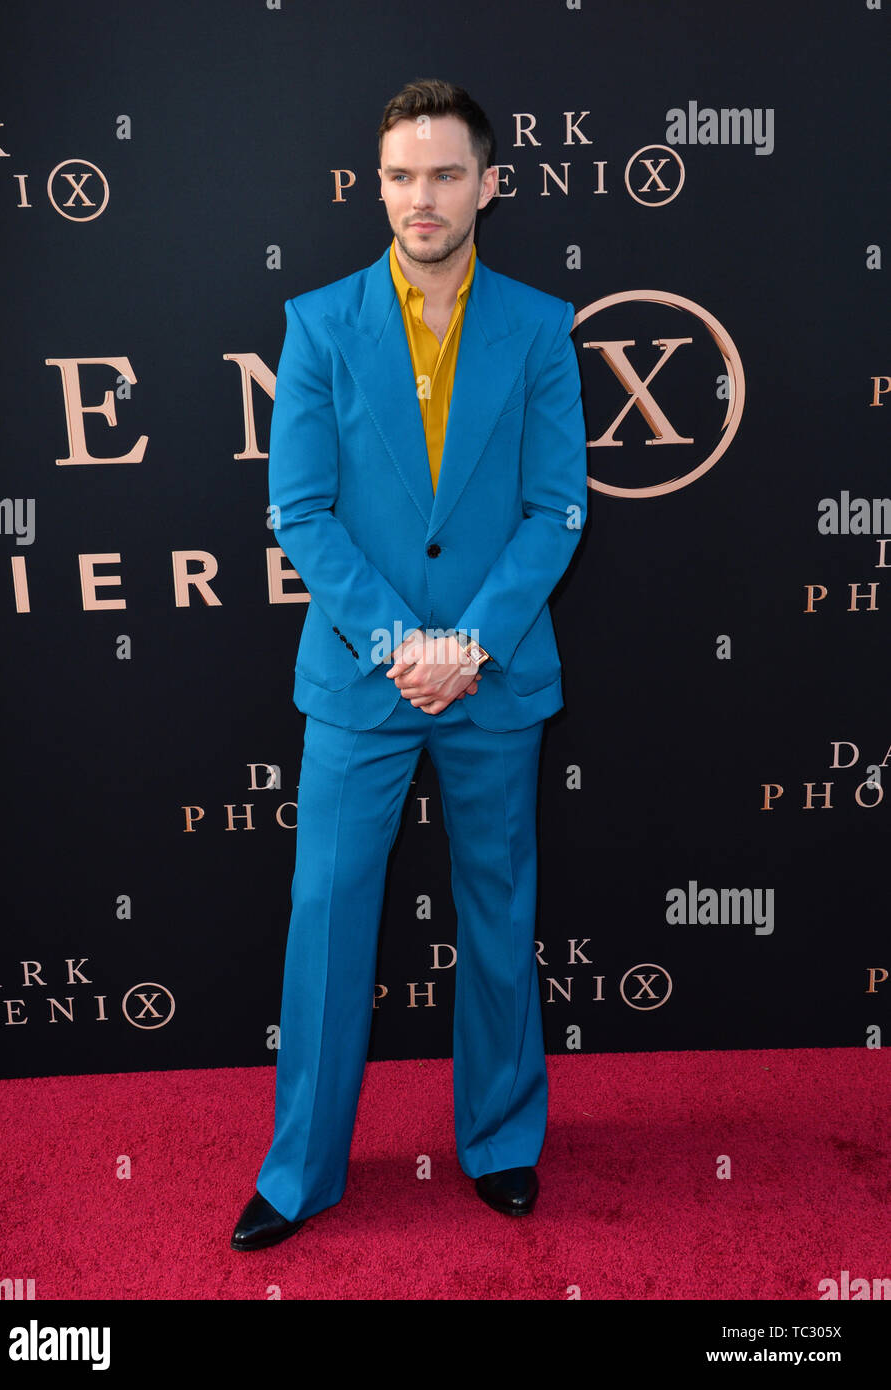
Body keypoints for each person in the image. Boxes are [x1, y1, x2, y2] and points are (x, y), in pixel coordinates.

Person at [232, 77, 587, 1251]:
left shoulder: (539, 327)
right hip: (357, 680)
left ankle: (499, 1141)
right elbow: (300, 511)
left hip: (493, 677)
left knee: (497, 909)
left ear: (489, 183)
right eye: (398, 175)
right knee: (326, 917)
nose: (419, 197)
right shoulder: (319, 324)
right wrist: (398, 647)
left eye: (442, 173)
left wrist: (467, 644)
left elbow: (553, 510)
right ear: (373, 183)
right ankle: (300, 1170)